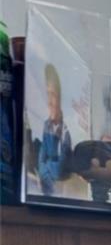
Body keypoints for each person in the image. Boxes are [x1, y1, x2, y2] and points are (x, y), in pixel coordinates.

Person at [34, 64, 72, 195]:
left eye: (53, 95)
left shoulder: (66, 130)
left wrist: (47, 167)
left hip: (59, 192)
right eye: (47, 94)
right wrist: (48, 166)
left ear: (61, 98)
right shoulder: (46, 125)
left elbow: (60, 170)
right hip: (46, 188)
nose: (49, 101)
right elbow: (41, 159)